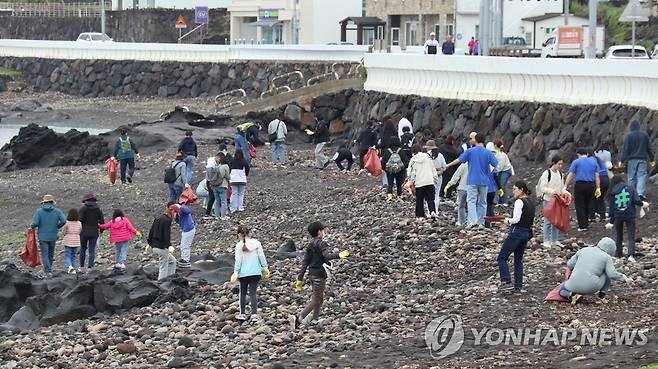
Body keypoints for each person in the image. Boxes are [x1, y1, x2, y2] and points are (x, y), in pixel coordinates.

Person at [290, 222, 349, 329]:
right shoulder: (321, 244)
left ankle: (315, 320)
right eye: (322, 230)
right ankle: (299, 318)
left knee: (319, 298)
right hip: (319, 275)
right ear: (319, 231)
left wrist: (300, 278)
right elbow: (327, 256)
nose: (324, 232)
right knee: (316, 300)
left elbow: (305, 262)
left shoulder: (310, 244)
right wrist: (339, 255)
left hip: (312, 274)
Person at [559, 237, 632, 304]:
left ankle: (571, 295)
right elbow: (612, 274)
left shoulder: (583, 250)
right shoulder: (606, 257)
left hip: (573, 285)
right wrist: (624, 278)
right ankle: (601, 296)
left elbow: (570, 265)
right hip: (592, 287)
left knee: (561, 289)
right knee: (606, 272)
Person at [446, 133, 498, 226]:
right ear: (484, 141)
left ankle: (472, 222)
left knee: (471, 201)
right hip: (484, 181)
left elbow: (459, 160)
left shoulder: (470, 151)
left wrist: (448, 165)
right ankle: (481, 222)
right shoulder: (488, 152)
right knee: (482, 202)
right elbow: (495, 164)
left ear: (476, 140)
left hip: (472, 180)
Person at [497, 181, 535, 292]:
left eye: (514, 189)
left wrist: (506, 220)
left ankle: (506, 281)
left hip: (516, 232)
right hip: (526, 233)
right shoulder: (530, 202)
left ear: (521, 189)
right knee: (518, 260)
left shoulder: (519, 201)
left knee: (502, 257)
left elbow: (516, 219)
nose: (513, 191)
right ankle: (518, 285)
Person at [230, 226, 269, 322]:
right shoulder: (257, 243)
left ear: (239, 234)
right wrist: (264, 267)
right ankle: (254, 314)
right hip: (255, 272)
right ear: (249, 233)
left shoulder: (239, 245)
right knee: (253, 293)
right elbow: (261, 256)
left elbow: (238, 260)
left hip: (243, 274)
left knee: (242, 293)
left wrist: (235, 272)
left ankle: (242, 314)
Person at [605, 175, 644, 262]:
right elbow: (636, 200)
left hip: (618, 216)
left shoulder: (612, 191)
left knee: (618, 235)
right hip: (630, 215)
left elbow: (611, 208)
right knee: (631, 236)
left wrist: (611, 221)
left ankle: (618, 254)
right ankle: (631, 255)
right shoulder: (631, 188)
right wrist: (642, 204)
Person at [564, 148, 601, 231]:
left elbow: (571, 174)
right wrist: (598, 188)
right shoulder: (593, 162)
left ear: (578, 154)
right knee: (588, 204)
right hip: (591, 185)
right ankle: (586, 223)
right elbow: (597, 176)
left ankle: (582, 226)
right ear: (587, 154)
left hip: (580, 185)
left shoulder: (576, 162)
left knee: (580, 205)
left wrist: (565, 185)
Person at [30, 195, 66, 276]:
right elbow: (64, 220)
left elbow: (35, 223)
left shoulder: (39, 211)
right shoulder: (57, 211)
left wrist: (31, 227)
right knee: (51, 253)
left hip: (42, 236)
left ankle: (48, 270)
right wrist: (57, 226)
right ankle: (49, 269)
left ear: (44, 202)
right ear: (52, 202)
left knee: (44, 254)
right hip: (53, 235)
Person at [535, 156, 567, 247]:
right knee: (548, 220)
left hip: (557, 200)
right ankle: (546, 240)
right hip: (548, 200)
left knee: (556, 220)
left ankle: (554, 240)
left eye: (561, 164)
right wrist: (553, 192)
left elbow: (561, 187)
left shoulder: (560, 174)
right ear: (554, 163)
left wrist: (565, 192)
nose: (560, 166)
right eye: (559, 164)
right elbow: (542, 187)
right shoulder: (547, 173)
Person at [620, 120, 654, 201]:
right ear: (639, 126)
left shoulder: (628, 136)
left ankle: (631, 193)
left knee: (631, 177)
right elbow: (649, 148)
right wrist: (652, 159)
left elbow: (625, 149)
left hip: (631, 160)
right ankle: (640, 193)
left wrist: (622, 160)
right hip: (642, 159)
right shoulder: (644, 135)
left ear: (631, 127)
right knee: (641, 175)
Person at [147, 203, 177, 280]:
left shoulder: (158, 218)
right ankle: (162, 282)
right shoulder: (167, 220)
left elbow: (151, 231)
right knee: (163, 266)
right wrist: (169, 245)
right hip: (161, 247)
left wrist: (149, 243)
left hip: (154, 246)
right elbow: (166, 234)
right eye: (175, 212)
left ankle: (170, 279)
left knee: (172, 261)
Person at [407, 145, 438, 218]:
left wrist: (410, 182)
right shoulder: (428, 157)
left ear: (413, 152)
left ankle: (420, 215)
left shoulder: (413, 160)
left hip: (420, 183)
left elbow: (411, 172)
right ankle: (432, 211)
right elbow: (433, 169)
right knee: (430, 199)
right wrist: (435, 179)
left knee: (419, 200)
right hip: (429, 181)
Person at [79, 192, 104, 273]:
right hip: (94, 232)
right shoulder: (98, 209)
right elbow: (102, 222)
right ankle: (90, 267)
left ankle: (82, 267)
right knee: (91, 250)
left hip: (83, 231)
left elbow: (80, 220)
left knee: (82, 249)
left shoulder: (83, 208)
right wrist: (101, 231)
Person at [381, 137, 410, 202]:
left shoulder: (387, 151)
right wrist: (402, 168)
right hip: (400, 171)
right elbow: (406, 162)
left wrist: (385, 169)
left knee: (390, 183)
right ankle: (399, 196)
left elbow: (383, 162)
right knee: (399, 184)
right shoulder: (401, 151)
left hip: (390, 171)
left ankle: (390, 196)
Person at [169, 203, 195, 269]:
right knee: (183, 245)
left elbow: (188, 211)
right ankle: (184, 258)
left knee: (185, 246)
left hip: (188, 230)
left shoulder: (183, 211)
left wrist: (179, 207)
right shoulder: (179, 215)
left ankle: (186, 260)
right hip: (186, 230)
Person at [208, 152, 231, 221]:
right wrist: (229, 179)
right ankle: (223, 216)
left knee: (217, 201)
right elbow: (227, 176)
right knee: (223, 201)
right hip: (222, 186)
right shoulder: (226, 166)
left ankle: (217, 216)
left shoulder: (217, 166)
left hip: (215, 186)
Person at [593, 145, 613, 221]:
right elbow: (609, 166)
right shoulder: (604, 156)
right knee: (601, 198)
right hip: (606, 177)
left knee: (594, 197)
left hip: (599, 178)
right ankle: (602, 215)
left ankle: (594, 214)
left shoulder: (594, 158)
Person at [427, 140, 447, 212]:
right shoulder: (440, 155)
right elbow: (444, 167)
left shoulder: (426, 155)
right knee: (436, 194)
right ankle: (436, 210)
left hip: (429, 177)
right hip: (438, 177)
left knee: (429, 195)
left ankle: (430, 211)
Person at [492, 139, 513, 205]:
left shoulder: (502, 155)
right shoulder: (497, 153)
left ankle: (505, 202)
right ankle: (500, 201)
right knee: (499, 185)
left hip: (506, 171)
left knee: (502, 185)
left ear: (495, 145)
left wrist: (494, 172)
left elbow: (500, 167)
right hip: (501, 170)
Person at [61, 209, 82, 275]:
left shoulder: (67, 223)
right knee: (73, 255)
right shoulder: (79, 223)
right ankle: (73, 268)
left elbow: (63, 232)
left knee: (67, 255)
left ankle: (70, 267)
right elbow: (80, 231)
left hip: (68, 240)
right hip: (76, 240)